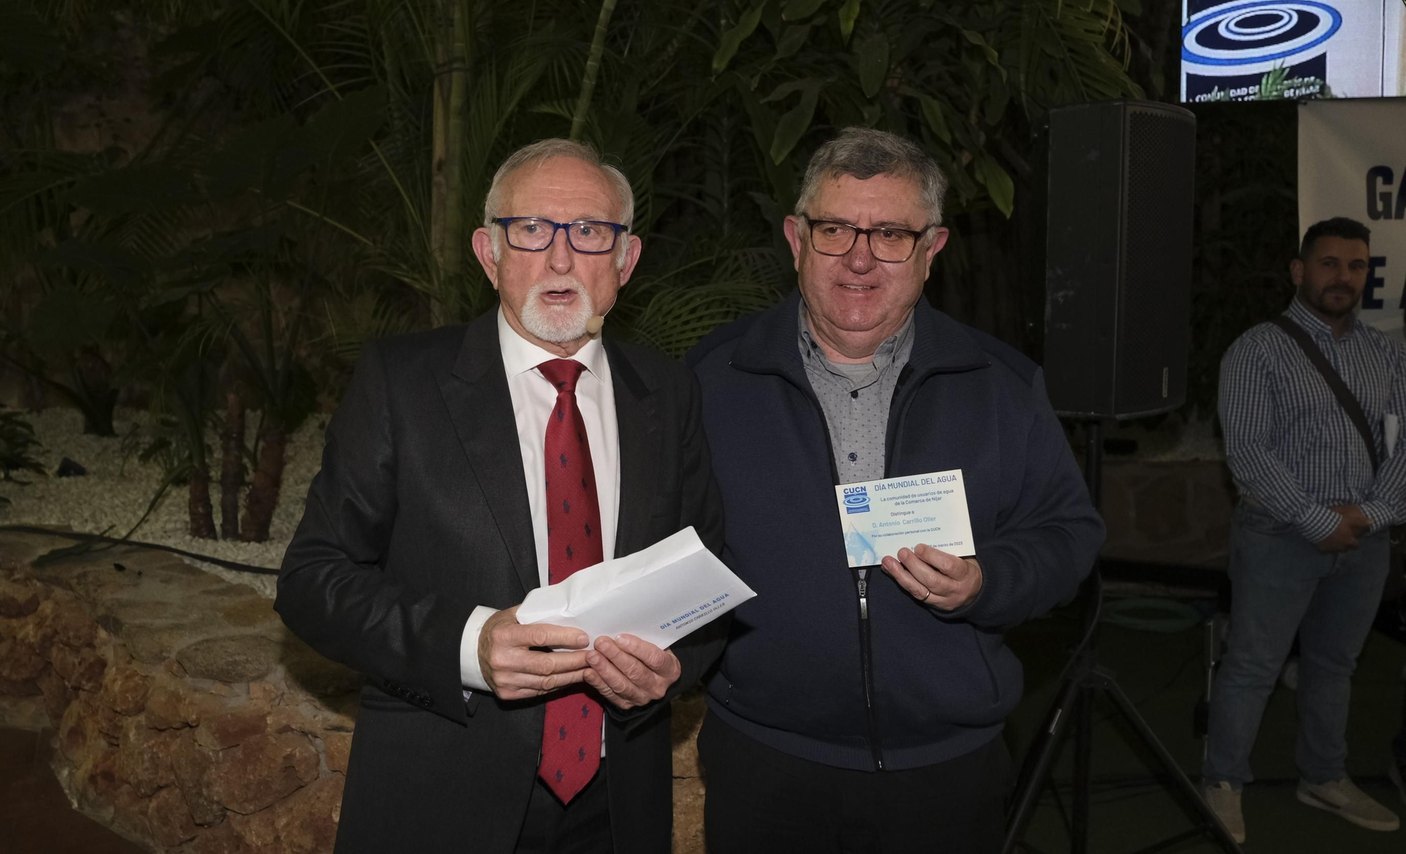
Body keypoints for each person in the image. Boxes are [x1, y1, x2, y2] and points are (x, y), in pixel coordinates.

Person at [275, 139, 725, 854]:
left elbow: (707, 579)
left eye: (588, 232)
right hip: (441, 796)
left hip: (616, 808)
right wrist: (466, 643)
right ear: (489, 254)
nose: (559, 258)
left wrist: (676, 666)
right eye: (531, 230)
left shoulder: (667, 394)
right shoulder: (403, 384)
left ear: (626, 260)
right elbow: (311, 580)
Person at [686, 127, 1103, 853]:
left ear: (933, 248)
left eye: (890, 233)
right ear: (795, 237)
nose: (859, 256)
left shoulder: (1000, 385)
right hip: (766, 763)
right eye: (836, 228)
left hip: (943, 772)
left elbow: (1069, 533)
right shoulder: (710, 381)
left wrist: (987, 579)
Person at [1203, 216, 1404, 842]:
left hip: (1366, 541)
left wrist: (1369, 516)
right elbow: (1248, 453)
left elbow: (1404, 450)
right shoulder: (1256, 349)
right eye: (1328, 264)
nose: (1342, 277)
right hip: (1279, 538)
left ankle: (1324, 776)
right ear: (1299, 271)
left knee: (1334, 665)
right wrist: (1319, 520)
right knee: (1252, 666)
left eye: (1355, 266)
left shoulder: (1388, 353)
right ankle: (1222, 783)